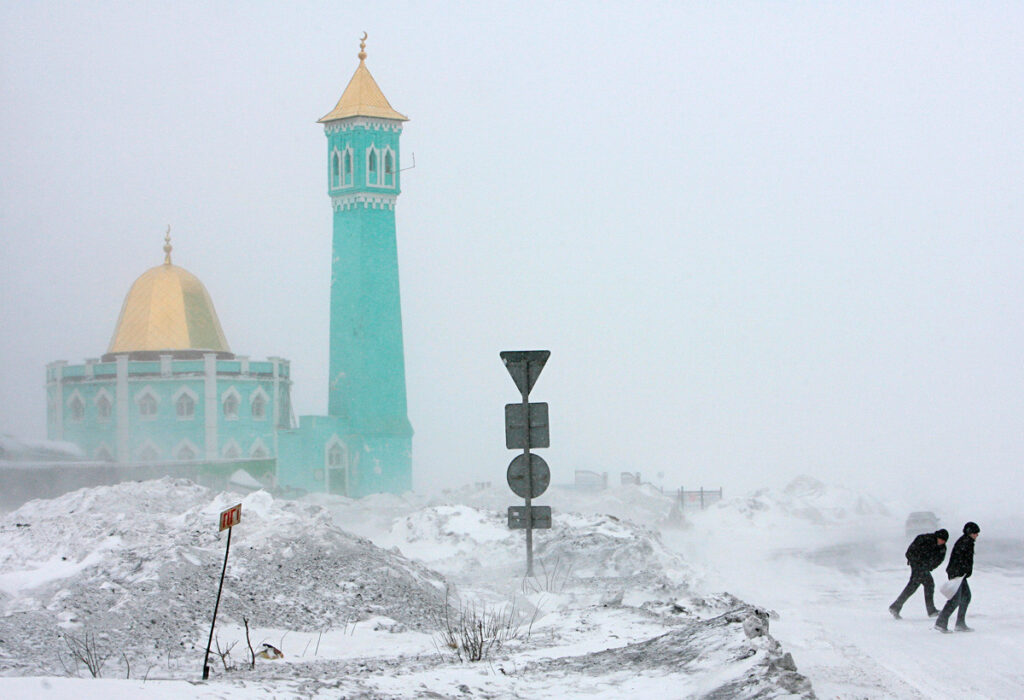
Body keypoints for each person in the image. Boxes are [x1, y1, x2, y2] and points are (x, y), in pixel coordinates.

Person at [889, 528, 948, 619]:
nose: (942, 542)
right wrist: (916, 562)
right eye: (941, 539)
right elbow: (910, 551)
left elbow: (939, 560)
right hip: (917, 565)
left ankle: (896, 606)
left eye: (944, 541)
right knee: (929, 584)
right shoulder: (924, 539)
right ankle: (931, 610)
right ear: (937, 537)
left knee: (913, 586)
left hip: (924, 568)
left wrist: (929, 567)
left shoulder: (942, 548)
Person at [935, 521, 981, 633]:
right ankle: (941, 622)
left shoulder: (967, 541)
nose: (977, 535)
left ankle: (960, 623)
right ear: (970, 533)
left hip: (960, 574)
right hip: (957, 574)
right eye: (975, 533)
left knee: (966, 597)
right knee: (955, 599)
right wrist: (959, 573)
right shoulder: (965, 542)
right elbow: (959, 559)